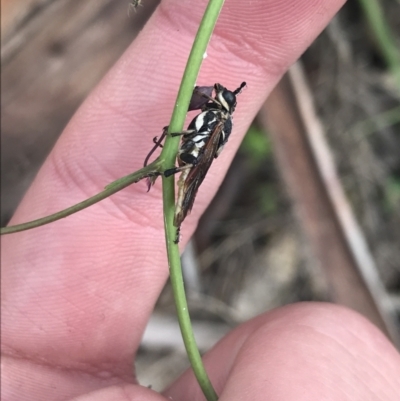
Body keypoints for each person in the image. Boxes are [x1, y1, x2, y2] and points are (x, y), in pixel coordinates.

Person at [2, 1, 400, 400]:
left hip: (189, 159)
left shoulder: (219, 123)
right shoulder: (217, 114)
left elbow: (201, 141)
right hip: (183, 154)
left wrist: (175, 150)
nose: (214, 96)